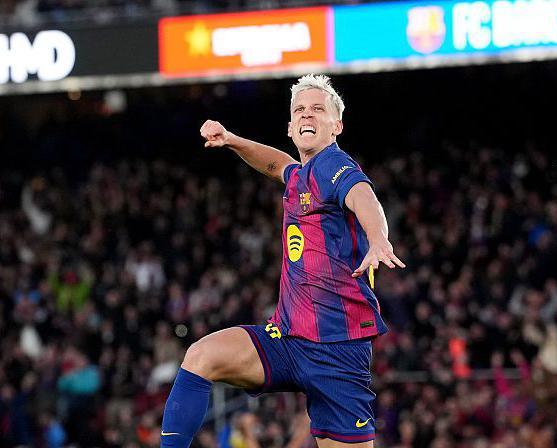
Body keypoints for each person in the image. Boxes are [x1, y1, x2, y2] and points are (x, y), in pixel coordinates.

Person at [160, 74, 405, 448]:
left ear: (336, 125)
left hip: (337, 353)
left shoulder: (333, 166)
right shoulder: (301, 175)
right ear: (290, 127)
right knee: (200, 356)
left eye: (318, 109)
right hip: (287, 339)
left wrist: (379, 238)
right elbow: (278, 166)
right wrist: (232, 140)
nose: (308, 115)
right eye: (300, 110)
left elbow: (363, 196)